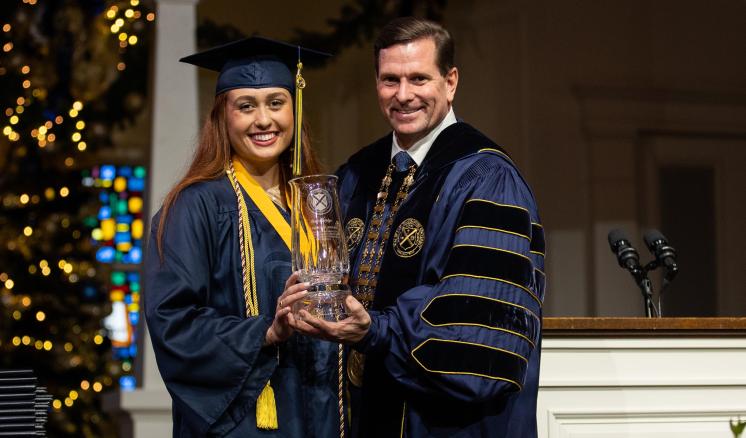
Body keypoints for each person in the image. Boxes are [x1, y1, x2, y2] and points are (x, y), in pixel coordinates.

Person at [291, 17, 545, 437]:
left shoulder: (487, 179)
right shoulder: (356, 174)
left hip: (449, 424)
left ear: (451, 82)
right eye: (390, 80)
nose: (403, 95)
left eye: (418, 79)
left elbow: (476, 326)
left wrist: (376, 330)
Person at [144, 37, 342, 437]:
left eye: (275, 103)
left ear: (294, 109)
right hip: (247, 420)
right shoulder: (195, 206)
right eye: (246, 106)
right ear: (223, 116)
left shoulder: (314, 203)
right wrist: (266, 332)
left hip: (317, 414)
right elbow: (173, 322)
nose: (264, 120)